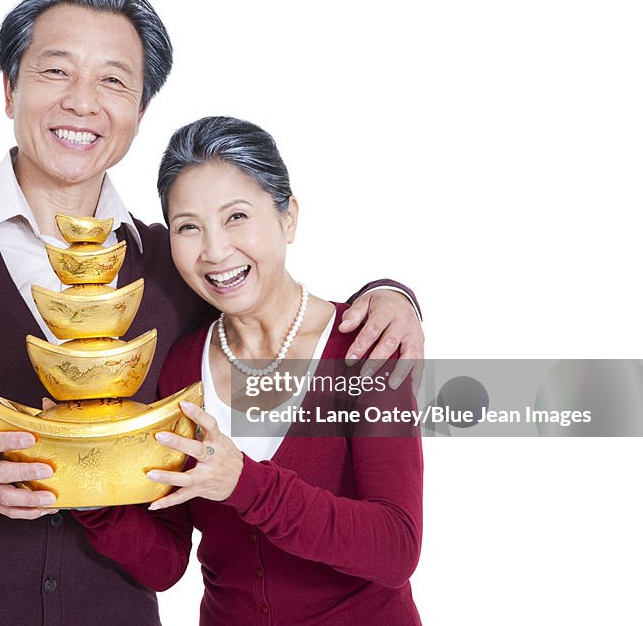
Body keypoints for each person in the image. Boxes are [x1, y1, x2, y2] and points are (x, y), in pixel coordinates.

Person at [0, 0, 424, 625]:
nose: (82, 102)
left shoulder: (173, 264)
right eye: (55, 71)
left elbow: (273, 304)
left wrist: (391, 295)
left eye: (113, 80)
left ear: (139, 111)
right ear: (9, 87)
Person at [76, 116, 423, 624]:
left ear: (288, 218)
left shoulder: (365, 345)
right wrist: (86, 490)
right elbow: (168, 562)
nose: (214, 251)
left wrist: (244, 482)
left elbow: (396, 548)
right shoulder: (179, 367)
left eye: (236, 216)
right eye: (188, 226)